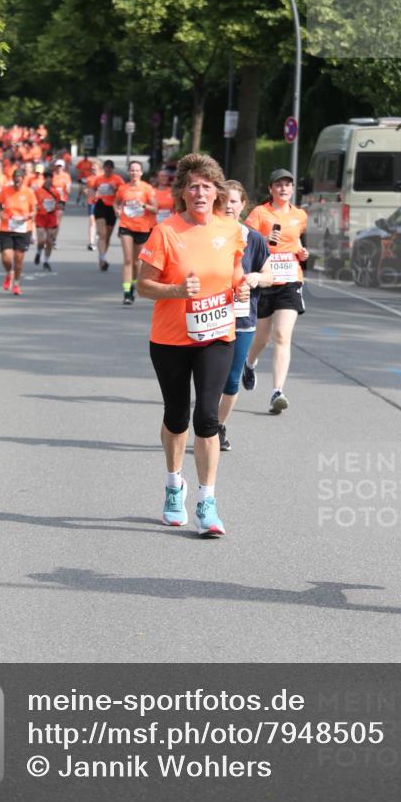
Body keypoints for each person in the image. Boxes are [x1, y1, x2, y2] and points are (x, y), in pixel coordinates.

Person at [138, 153, 249, 536]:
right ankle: (173, 486)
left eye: (207, 186)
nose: (200, 192)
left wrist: (241, 281)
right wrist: (174, 289)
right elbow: (143, 285)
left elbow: (233, 268)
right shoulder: (165, 232)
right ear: (182, 193)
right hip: (169, 339)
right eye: (193, 186)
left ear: (217, 192)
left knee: (207, 417)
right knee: (176, 416)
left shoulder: (231, 230)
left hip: (217, 335)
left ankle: (207, 501)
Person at [243, 168, 308, 414]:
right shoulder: (260, 213)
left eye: (288, 185)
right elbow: (246, 242)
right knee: (262, 338)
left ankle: (277, 392)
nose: (283, 188)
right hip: (265, 279)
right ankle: (249, 364)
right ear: (271, 189)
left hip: (291, 279)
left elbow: (296, 241)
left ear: (292, 189)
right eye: (278, 185)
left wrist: (302, 253)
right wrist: (263, 236)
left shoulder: (300, 215)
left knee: (282, 335)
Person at [217, 180, 273, 451]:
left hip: (242, 320)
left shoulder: (256, 239)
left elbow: (270, 276)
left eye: (234, 201)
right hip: (212, 319)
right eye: (224, 200)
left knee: (230, 380)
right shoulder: (206, 236)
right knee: (209, 379)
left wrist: (256, 278)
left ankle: (218, 426)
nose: (229, 205)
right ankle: (206, 423)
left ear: (243, 205)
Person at [115, 161, 157, 305]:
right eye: (132, 170)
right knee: (127, 260)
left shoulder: (147, 188)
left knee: (137, 262)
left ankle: (134, 283)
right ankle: (127, 292)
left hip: (143, 227)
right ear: (128, 172)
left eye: (137, 170)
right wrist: (117, 210)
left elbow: (155, 208)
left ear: (141, 173)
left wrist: (144, 205)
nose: (134, 173)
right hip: (126, 225)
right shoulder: (123, 188)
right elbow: (116, 202)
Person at [0, 167, 37, 295]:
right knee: (6, 257)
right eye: (15, 181)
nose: (17, 184)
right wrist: (0, 214)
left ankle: (17, 283)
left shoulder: (28, 192)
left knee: (19, 259)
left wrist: (29, 216)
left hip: (23, 229)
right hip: (7, 227)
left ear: (23, 180)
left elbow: (34, 210)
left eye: (19, 181)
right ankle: (9, 273)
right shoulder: (5, 191)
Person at [92, 159, 124, 270]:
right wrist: (93, 198)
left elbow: (123, 193)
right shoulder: (99, 179)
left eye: (110, 168)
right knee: (102, 233)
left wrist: (115, 189)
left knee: (108, 235)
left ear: (113, 169)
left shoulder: (118, 179)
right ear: (104, 168)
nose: (108, 170)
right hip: (100, 205)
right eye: (106, 168)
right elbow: (93, 189)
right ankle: (103, 258)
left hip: (112, 207)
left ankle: (102, 256)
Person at [33, 168, 61, 271]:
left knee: (49, 241)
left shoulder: (56, 192)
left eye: (50, 178)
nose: (49, 180)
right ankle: (38, 252)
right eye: (47, 178)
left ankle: (46, 261)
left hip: (51, 217)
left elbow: (59, 203)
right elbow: (34, 204)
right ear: (44, 179)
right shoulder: (38, 191)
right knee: (41, 240)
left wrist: (58, 206)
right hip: (40, 217)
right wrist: (38, 207)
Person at [84, 160, 102, 250]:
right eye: (92, 167)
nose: (93, 168)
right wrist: (87, 191)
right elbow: (86, 189)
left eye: (95, 167)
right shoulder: (89, 178)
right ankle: (91, 243)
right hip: (92, 202)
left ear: (99, 168)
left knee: (100, 222)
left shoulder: (103, 177)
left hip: (102, 203)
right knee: (92, 221)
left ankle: (98, 234)